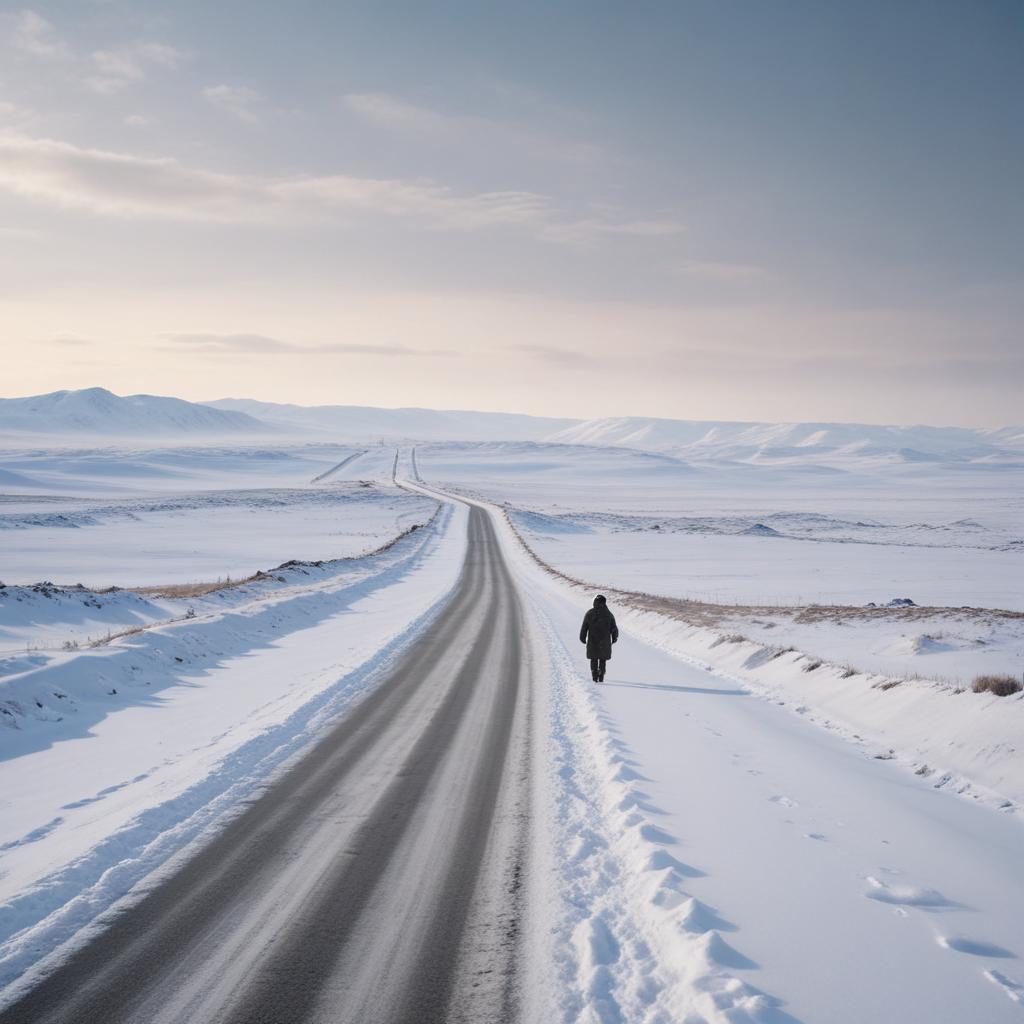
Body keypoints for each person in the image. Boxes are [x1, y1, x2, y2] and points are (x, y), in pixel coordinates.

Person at [579, 594, 618, 682]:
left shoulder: (590, 613)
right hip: (604, 641)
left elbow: (584, 626)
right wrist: (614, 637)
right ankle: (601, 674)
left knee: (593, 658)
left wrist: (582, 637)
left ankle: (594, 675)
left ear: (595, 602)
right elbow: (614, 628)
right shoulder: (609, 614)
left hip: (593, 640)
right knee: (602, 659)